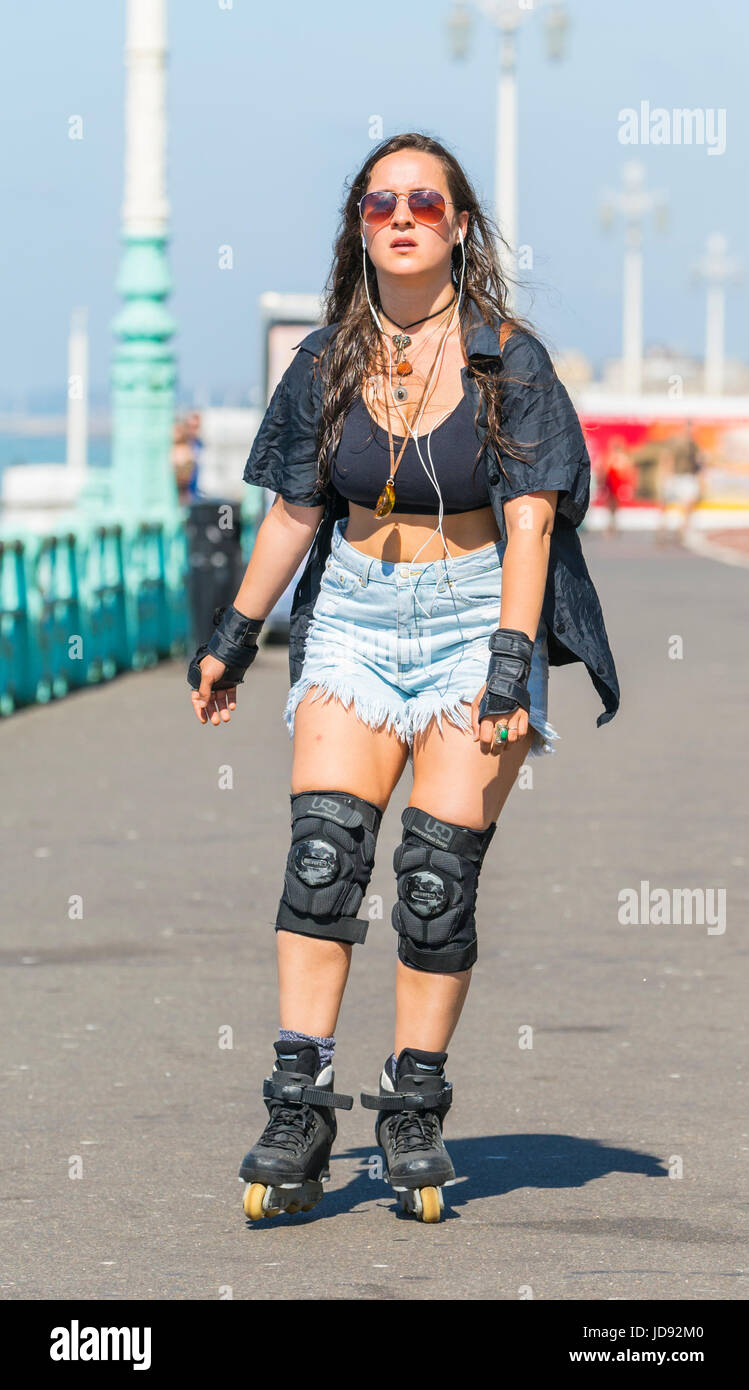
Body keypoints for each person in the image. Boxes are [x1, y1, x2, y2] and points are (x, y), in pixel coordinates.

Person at [187, 132, 620, 1223]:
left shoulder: (505, 359)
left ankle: (414, 1105)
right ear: (360, 224)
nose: (403, 213)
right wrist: (235, 634)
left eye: (426, 198)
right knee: (325, 855)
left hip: (479, 611)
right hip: (355, 619)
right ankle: (298, 1103)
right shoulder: (329, 358)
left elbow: (529, 528)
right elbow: (294, 509)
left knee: (433, 879)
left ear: (459, 223)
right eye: (381, 200)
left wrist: (511, 662)